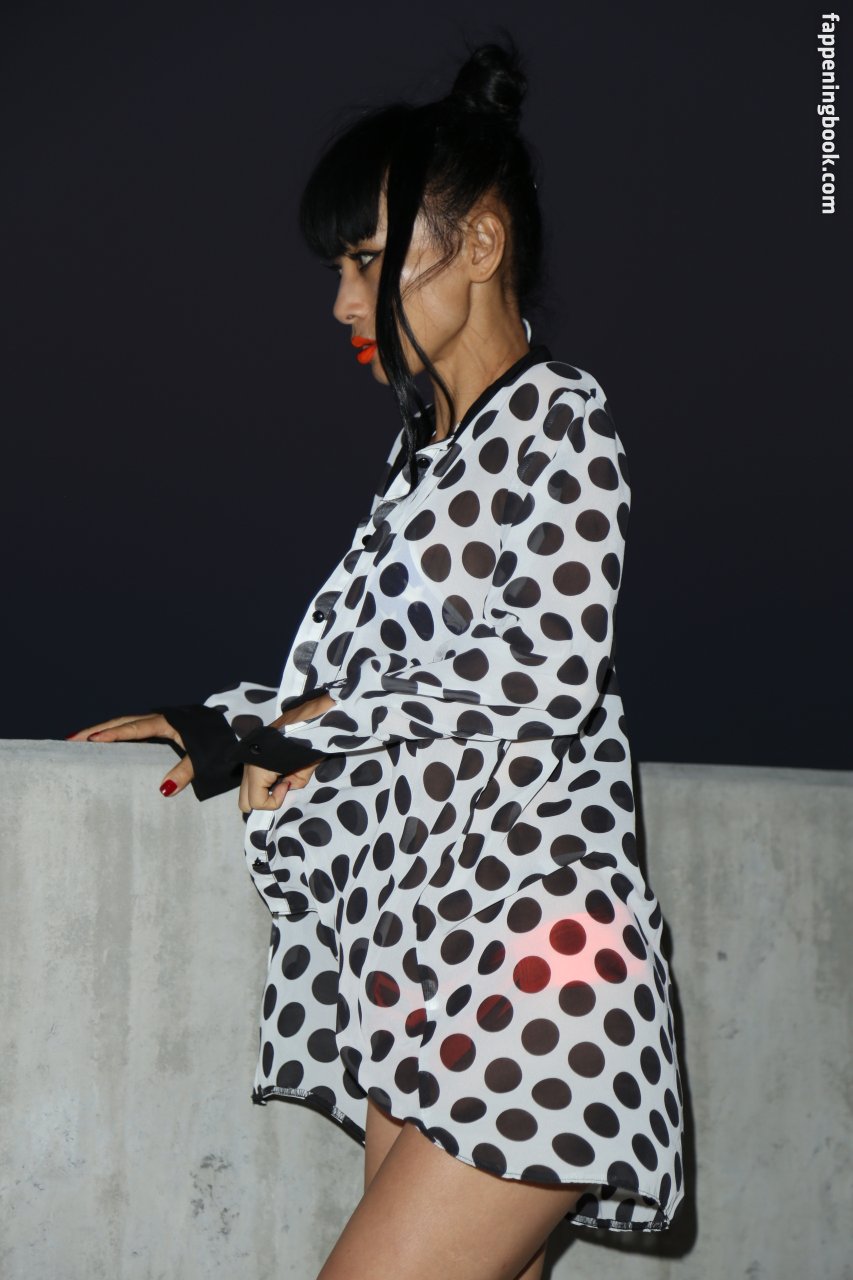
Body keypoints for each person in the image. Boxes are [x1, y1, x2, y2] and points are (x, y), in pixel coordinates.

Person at [69, 35, 685, 1280]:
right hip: (423, 967)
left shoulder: (562, 419)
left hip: (538, 964)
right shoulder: (418, 462)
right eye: (340, 268)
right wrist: (227, 718)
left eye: (367, 259)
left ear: (480, 243)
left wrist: (312, 721)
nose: (344, 303)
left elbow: (543, 671)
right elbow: (372, 684)